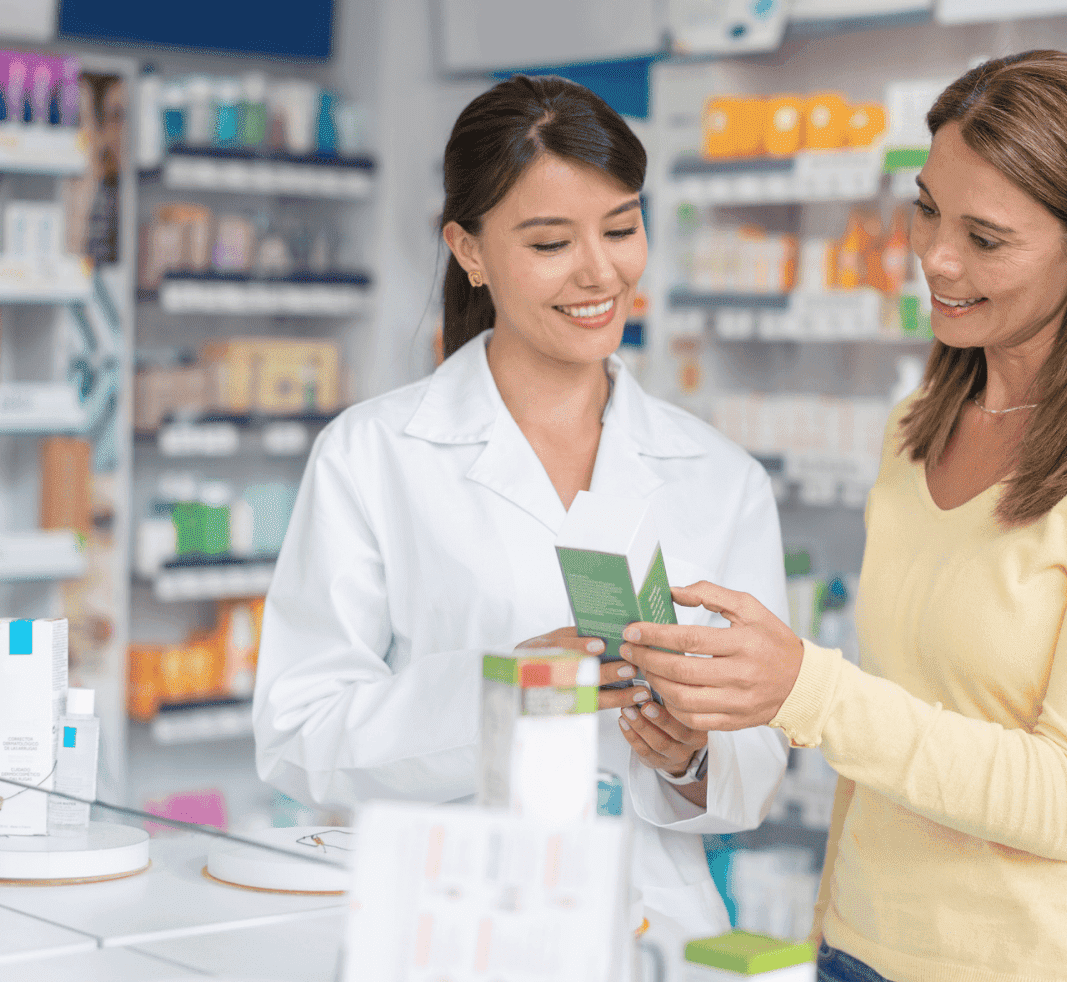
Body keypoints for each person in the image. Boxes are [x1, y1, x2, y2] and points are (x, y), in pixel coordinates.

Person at [619, 50, 1067, 982]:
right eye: (927, 209)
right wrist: (714, 732)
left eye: (986, 239)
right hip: (863, 947)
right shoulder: (919, 428)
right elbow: (914, 717)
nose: (937, 258)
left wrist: (806, 691)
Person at [252, 75, 789, 934]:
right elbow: (298, 735)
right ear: (468, 249)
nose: (600, 270)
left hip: (655, 927)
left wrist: (692, 755)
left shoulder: (720, 478)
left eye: (621, 227)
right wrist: (504, 692)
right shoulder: (374, 453)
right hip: (456, 919)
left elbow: (757, 763)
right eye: (550, 243)